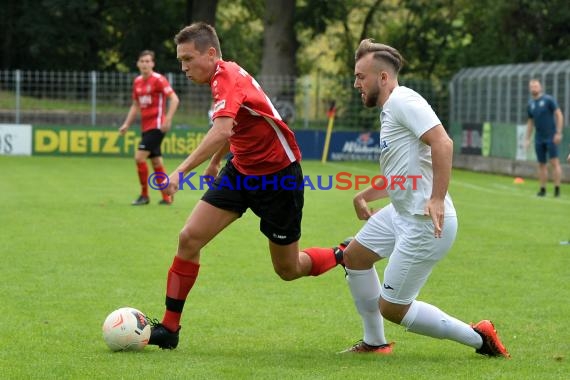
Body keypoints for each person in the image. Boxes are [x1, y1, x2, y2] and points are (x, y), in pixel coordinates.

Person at [147, 22, 344, 349]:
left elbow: (223, 130)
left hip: (279, 179)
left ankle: (341, 254)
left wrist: (180, 172)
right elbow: (236, 125)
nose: (183, 68)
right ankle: (169, 329)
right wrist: (213, 163)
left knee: (288, 268)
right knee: (189, 238)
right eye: (180, 61)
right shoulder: (221, 78)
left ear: (211, 54)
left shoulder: (227, 76)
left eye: (188, 59)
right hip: (240, 172)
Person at [339, 39, 510, 358]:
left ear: (383, 78)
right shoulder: (390, 110)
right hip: (401, 214)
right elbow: (404, 174)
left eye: (361, 76)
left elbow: (443, 143)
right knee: (355, 257)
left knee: (392, 308)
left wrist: (437, 198)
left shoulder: (404, 101)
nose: (356, 83)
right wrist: (365, 194)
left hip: (425, 224)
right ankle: (374, 344)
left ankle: (479, 338)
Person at [119, 50, 180, 205]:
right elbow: (135, 105)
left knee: (139, 157)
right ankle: (167, 197)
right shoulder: (137, 81)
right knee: (157, 163)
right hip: (146, 127)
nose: (145, 64)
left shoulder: (159, 80)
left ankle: (144, 195)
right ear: (138, 64)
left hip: (157, 126)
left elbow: (174, 99)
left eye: (148, 61)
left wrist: (168, 119)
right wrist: (126, 124)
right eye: (142, 61)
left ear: (153, 63)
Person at [525, 78, 564, 197]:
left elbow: (559, 114)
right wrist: (527, 138)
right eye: (532, 86)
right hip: (539, 137)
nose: (534, 88)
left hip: (551, 136)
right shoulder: (530, 104)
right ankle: (542, 189)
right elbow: (530, 122)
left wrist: (558, 132)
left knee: (554, 162)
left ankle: (557, 189)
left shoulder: (548, 100)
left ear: (540, 87)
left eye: (536, 86)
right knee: (541, 164)